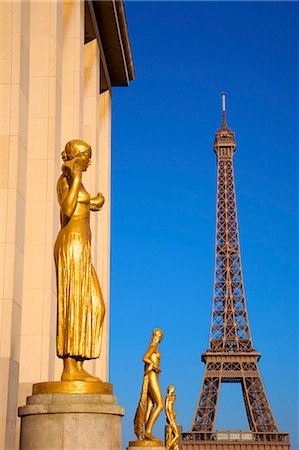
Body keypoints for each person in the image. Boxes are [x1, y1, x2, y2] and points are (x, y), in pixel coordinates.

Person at [54, 139, 105, 382]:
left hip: (82, 245)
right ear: (78, 156)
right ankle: (69, 368)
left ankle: (79, 364)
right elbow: (66, 208)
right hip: (71, 243)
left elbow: (80, 205)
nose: (90, 161)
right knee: (74, 301)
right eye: (87, 156)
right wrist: (75, 180)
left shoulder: (76, 181)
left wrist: (93, 202)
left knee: (95, 306)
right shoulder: (66, 179)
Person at [134, 328, 164, 442]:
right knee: (160, 404)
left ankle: (145, 432)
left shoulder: (155, 346)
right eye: (160, 336)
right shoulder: (154, 346)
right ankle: (148, 431)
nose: (161, 338)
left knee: (150, 405)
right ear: (157, 336)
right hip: (152, 376)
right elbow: (145, 357)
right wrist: (154, 365)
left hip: (154, 376)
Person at [165, 385, 180, 450]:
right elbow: (166, 409)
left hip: (172, 416)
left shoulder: (172, 397)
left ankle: (170, 446)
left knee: (174, 434)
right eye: (173, 389)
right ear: (170, 389)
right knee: (177, 435)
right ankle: (168, 447)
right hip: (170, 417)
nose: (174, 390)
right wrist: (169, 419)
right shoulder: (168, 397)